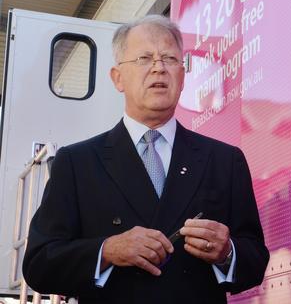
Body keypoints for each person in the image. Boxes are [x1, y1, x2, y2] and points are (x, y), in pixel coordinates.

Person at [22, 15, 269, 303]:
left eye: (169, 58)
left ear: (183, 74)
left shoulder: (224, 160)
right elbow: (40, 264)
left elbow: (255, 260)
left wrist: (228, 253)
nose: (158, 68)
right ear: (117, 78)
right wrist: (108, 250)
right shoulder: (77, 163)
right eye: (144, 58)